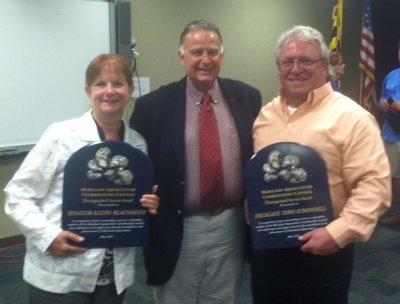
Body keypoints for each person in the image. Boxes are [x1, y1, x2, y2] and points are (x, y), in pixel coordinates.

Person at [251, 25, 391, 303]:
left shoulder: (352, 118)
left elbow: (374, 188)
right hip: (268, 252)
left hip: (323, 253)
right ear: (278, 67)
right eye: (287, 62)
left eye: (306, 60)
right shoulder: (265, 116)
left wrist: (337, 234)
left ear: (325, 65)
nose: (296, 68)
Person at [4, 54, 159, 304]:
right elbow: (18, 195)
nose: (109, 91)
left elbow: (132, 202)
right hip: (60, 274)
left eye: (118, 84)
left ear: (130, 91)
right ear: (88, 91)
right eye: (100, 84)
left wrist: (148, 204)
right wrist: (48, 235)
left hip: (113, 277)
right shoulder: (60, 136)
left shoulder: (138, 145)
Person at [129, 19, 261, 304]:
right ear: (181, 57)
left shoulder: (247, 97)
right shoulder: (152, 107)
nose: (205, 60)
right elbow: (136, 173)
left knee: (224, 298)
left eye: (212, 52)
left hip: (231, 224)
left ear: (222, 56)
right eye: (196, 52)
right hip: (178, 227)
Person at [378, 43, 400, 225]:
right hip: (391, 134)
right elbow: (381, 99)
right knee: (394, 176)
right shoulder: (391, 76)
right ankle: (399, 214)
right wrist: (383, 103)